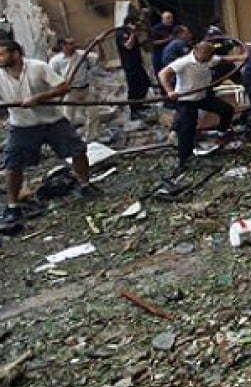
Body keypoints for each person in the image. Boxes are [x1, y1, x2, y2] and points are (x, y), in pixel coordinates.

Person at [0, 40, 99, 232]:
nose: (0, 58)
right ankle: (13, 207)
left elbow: (63, 87)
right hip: (22, 125)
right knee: (12, 164)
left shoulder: (39, 67)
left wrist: (39, 98)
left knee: (78, 150)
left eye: (2, 54)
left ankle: (86, 185)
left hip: (52, 121)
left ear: (16, 54)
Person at [158, 41, 245, 177]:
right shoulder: (184, 62)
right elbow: (163, 74)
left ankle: (222, 133)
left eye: (210, 56)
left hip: (203, 96)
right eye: (205, 55)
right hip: (186, 100)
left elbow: (223, 59)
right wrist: (169, 91)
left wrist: (241, 57)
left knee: (226, 110)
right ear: (195, 50)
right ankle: (184, 159)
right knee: (187, 128)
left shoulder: (210, 59)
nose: (207, 59)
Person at [48, 36, 100, 141]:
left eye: (73, 43)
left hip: (86, 89)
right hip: (70, 91)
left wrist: (99, 45)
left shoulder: (82, 54)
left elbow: (99, 59)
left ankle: (92, 137)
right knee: (67, 117)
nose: (73, 46)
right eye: (70, 44)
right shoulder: (55, 61)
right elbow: (53, 78)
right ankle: (69, 139)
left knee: (94, 114)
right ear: (63, 46)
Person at [115, 15, 151, 120]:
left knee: (145, 84)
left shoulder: (130, 32)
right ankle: (134, 111)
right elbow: (128, 46)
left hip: (137, 63)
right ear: (130, 24)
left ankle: (140, 104)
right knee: (134, 88)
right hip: (130, 65)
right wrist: (133, 34)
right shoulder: (121, 33)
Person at [149, 10, 174, 77]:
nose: (171, 20)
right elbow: (153, 42)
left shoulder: (173, 28)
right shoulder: (156, 29)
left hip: (170, 56)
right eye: (168, 18)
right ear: (163, 19)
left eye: (171, 18)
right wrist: (167, 40)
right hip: (159, 55)